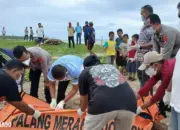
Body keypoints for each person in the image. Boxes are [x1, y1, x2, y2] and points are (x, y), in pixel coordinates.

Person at [77, 55, 137, 130]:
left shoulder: (85, 71)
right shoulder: (112, 67)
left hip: (102, 103)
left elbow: (83, 97)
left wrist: (81, 110)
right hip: (129, 103)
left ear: (85, 66)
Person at [135, 51, 176, 118]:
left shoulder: (167, 72)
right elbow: (149, 84)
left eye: (147, 67)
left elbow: (159, 95)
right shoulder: (161, 67)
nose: (146, 70)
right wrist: (133, 99)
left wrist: (140, 108)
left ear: (156, 65)